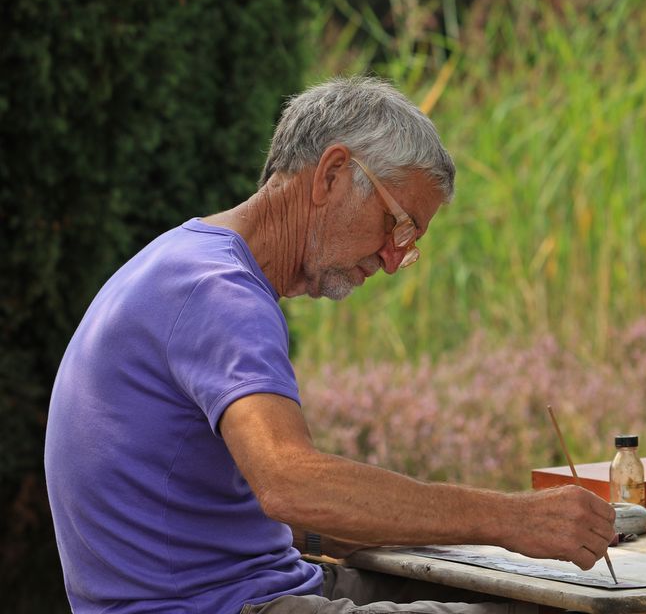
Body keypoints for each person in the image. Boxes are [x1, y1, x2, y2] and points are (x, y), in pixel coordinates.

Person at [45, 77, 615, 614]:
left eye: (410, 244)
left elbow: (236, 509)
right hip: (221, 604)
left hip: (249, 586)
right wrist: (512, 519)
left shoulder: (184, 258)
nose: (394, 261)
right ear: (333, 174)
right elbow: (291, 483)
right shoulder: (218, 293)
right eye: (399, 227)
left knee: (532, 592)